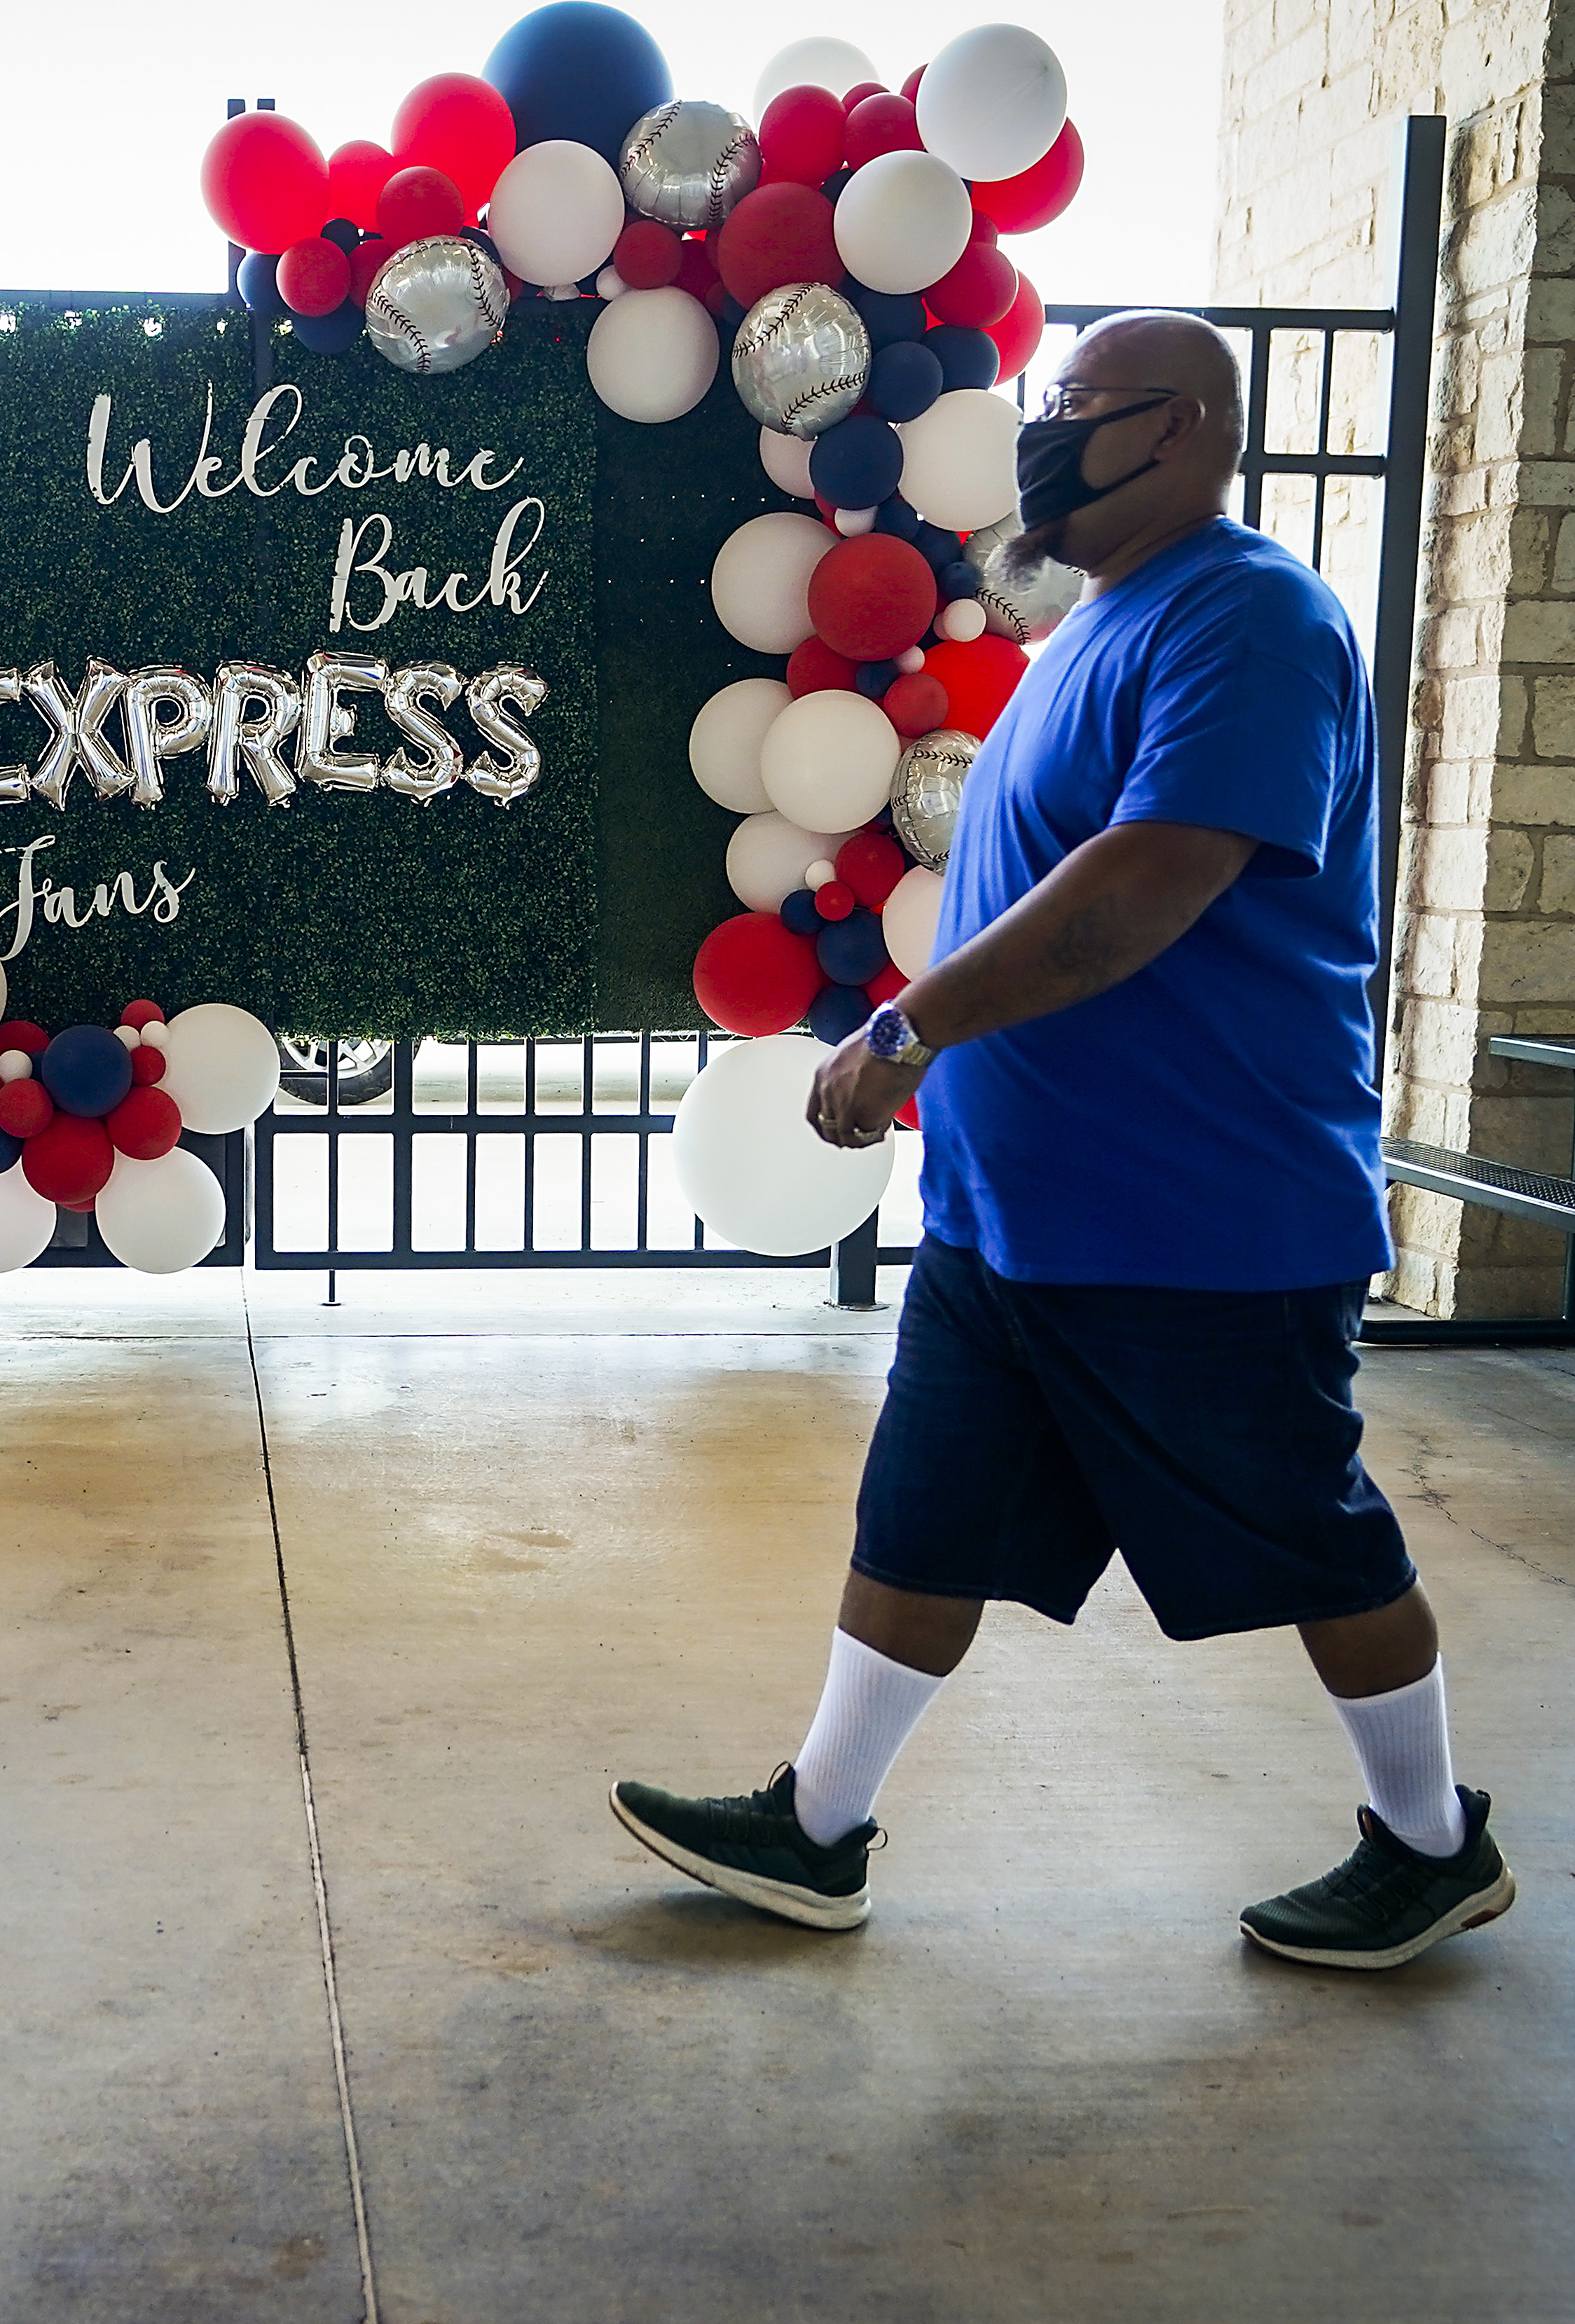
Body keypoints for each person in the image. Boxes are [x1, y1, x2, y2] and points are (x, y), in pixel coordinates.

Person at [610, 312, 1516, 1973]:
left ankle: (1431, 1840)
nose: (1042, 436)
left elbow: (1141, 893)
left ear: (1179, 431)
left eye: (1076, 407)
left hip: (1199, 1214)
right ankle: (818, 1828)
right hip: (1017, 1217)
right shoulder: (1101, 624)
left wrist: (906, 1030)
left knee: (1309, 1530)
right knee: (925, 1515)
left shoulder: (1249, 617)